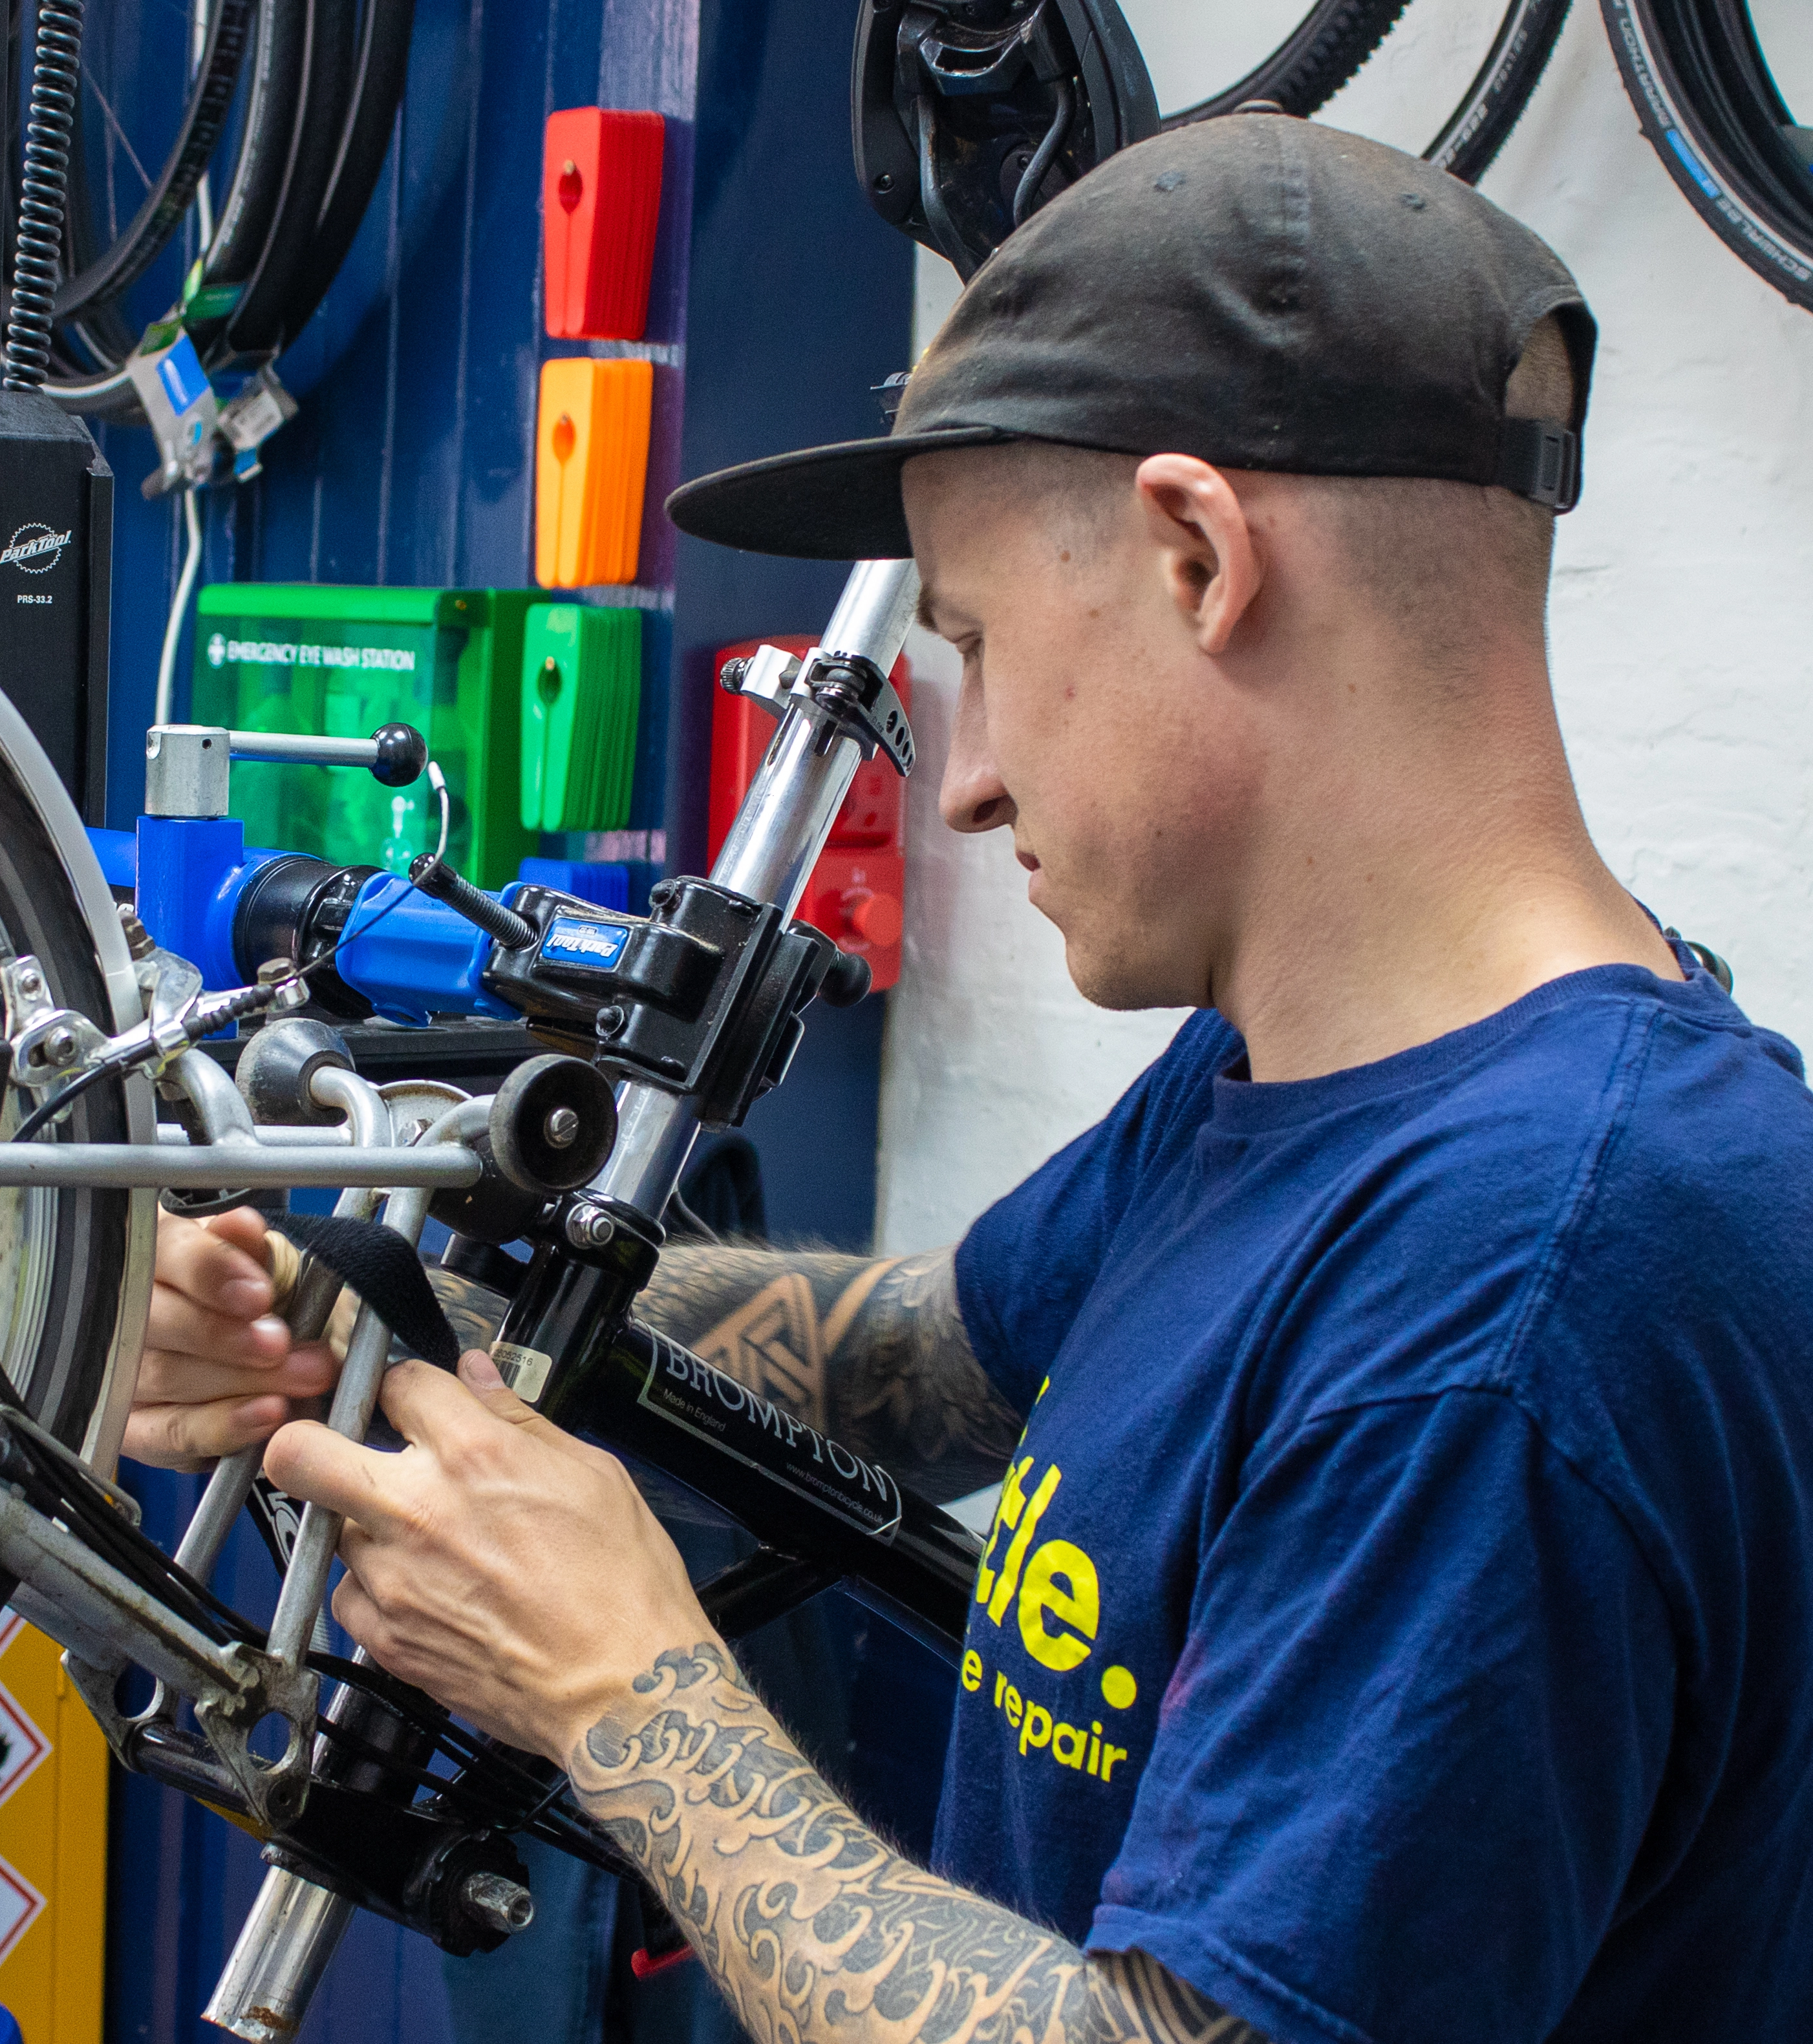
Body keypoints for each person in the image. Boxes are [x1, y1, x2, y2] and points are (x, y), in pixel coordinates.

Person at [127, 115, 1813, 2044]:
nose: (973, 774)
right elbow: (925, 1354)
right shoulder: (1307, 1082)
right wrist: (400, 1315)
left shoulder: (1529, 1287)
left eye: (986, 649)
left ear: (1196, 556)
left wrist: (625, 1691)